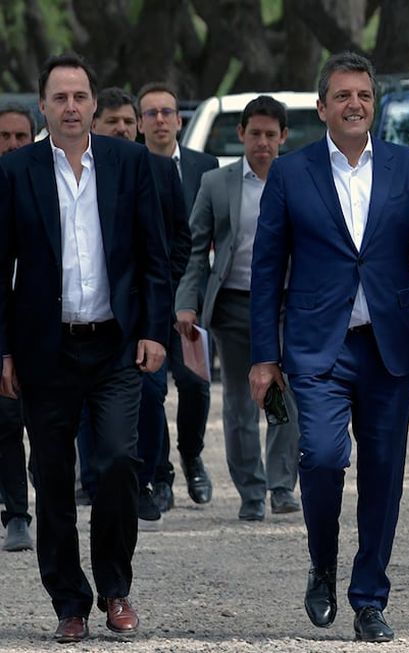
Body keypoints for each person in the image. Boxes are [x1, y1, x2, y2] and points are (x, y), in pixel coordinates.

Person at [248, 52, 409, 642]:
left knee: (384, 473)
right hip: (319, 348)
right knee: (324, 456)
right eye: (342, 96)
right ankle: (322, 563)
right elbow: (267, 270)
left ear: (374, 103)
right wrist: (265, 356)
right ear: (322, 107)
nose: (354, 104)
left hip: (389, 346)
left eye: (363, 94)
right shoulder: (292, 174)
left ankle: (368, 599)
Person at [0, 53, 172, 643]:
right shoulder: (16, 171)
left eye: (80, 97)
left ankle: (116, 588)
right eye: (59, 98)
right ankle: (68, 601)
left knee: (119, 461)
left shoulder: (129, 163)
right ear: (43, 105)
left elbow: (155, 257)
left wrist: (154, 330)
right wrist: (3, 352)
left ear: (95, 103)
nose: (71, 107)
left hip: (116, 346)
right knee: (52, 476)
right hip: (46, 350)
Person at [175, 96, 300, 521]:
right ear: (241, 134)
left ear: (283, 137)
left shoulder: (297, 180)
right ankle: (251, 490)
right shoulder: (217, 183)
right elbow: (197, 249)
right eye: (255, 134)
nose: (262, 142)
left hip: (286, 303)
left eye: (270, 134)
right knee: (241, 402)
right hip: (233, 303)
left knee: (285, 395)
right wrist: (186, 303)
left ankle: (282, 485)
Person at [90, 87, 192, 530]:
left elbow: (177, 241)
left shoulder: (157, 170)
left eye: (128, 122)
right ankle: (96, 479)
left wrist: (159, 295)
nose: (121, 129)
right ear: (96, 125)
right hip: (88, 314)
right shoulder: (81, 174)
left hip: (146, 313)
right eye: (112, 122)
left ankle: (150, 477)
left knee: (151, 394)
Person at [137, 81, 218, 511]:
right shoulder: (131, 167)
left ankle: (191, 454)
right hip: (148, 301)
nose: (160, 120)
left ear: (180, 120)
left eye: (167, 112)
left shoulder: (205, 166)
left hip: (195, 299)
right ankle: (161, 472)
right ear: (139, 123)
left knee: (194, 383)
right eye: (151, 113)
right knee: (151, 390)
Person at [0, 104, 36, 553]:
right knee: (6, 420)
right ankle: (17, 514)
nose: (11, 145)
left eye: (20, 137)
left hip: (44, 321)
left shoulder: (45, 183)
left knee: (45, 422)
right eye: (4, 137)